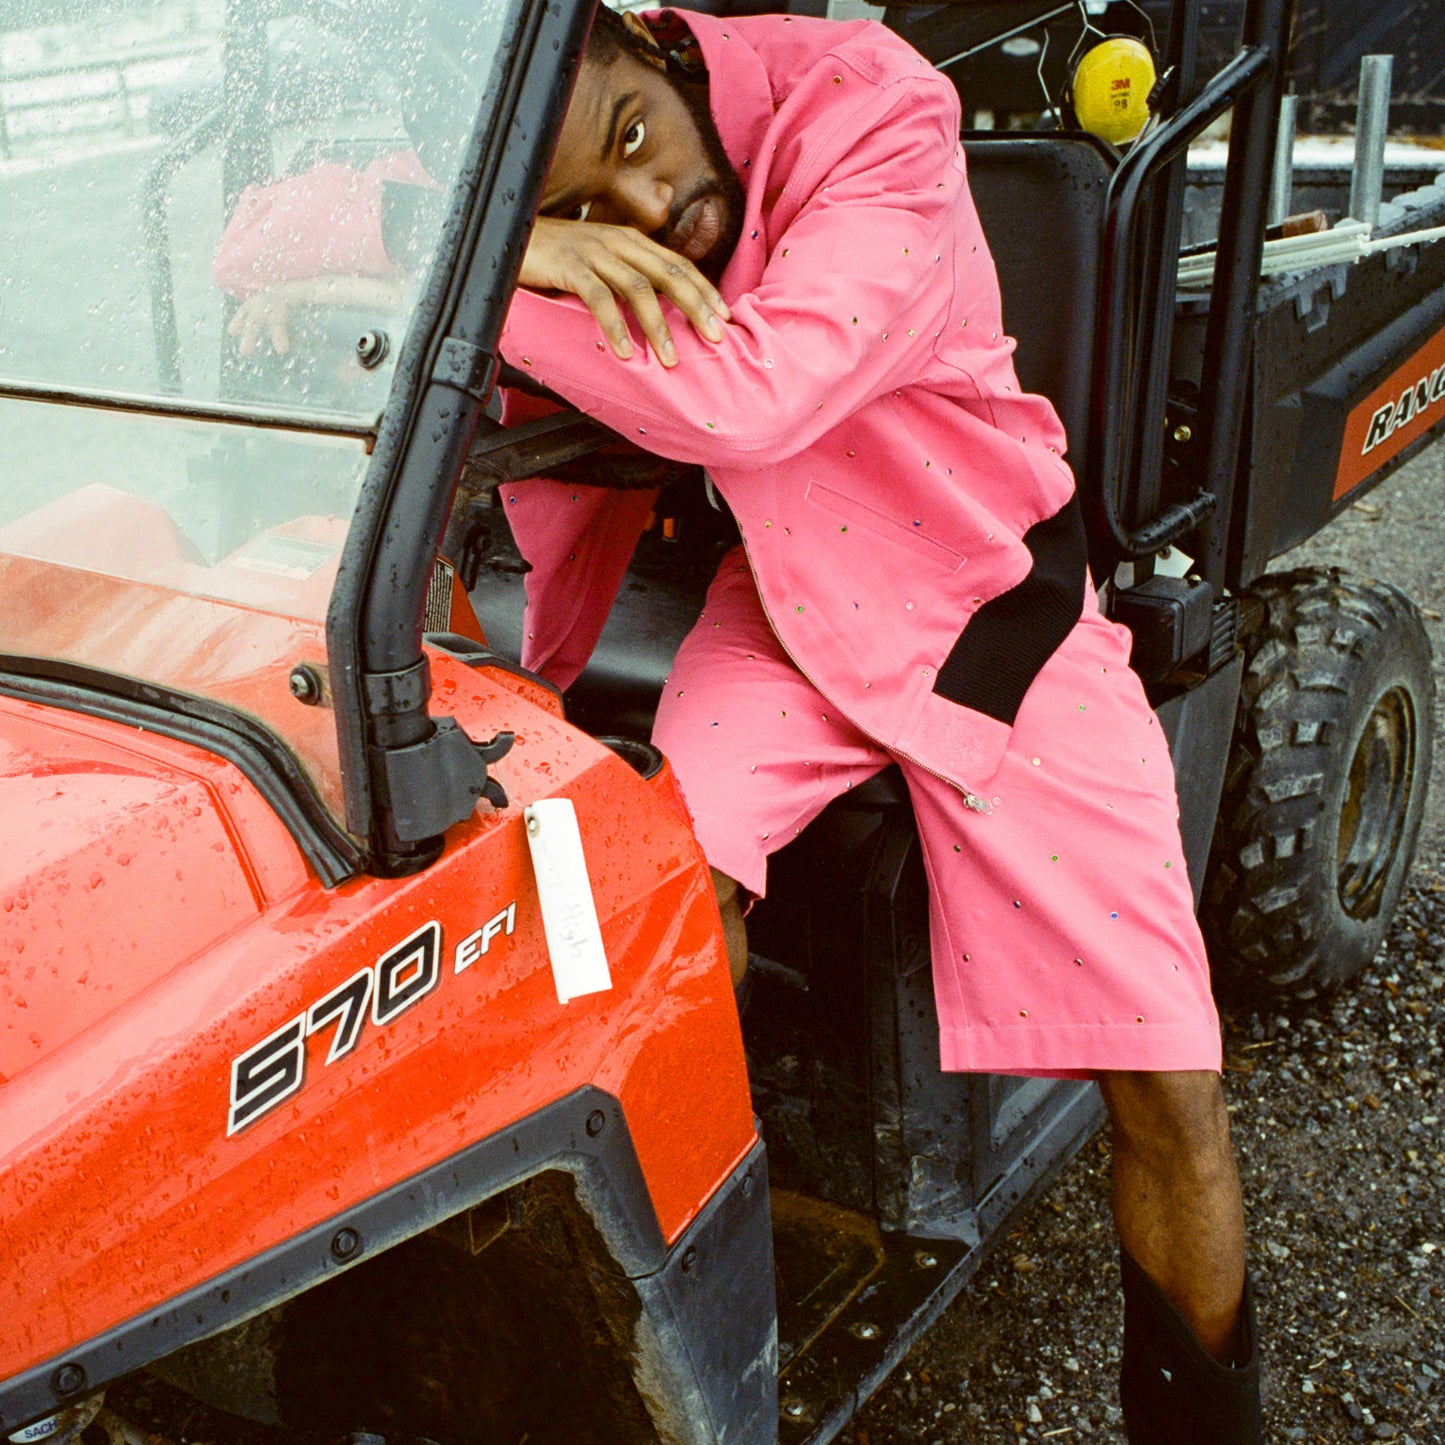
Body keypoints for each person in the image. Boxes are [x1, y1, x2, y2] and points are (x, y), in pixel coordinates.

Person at [500, 6, 1262, 1440]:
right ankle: (681, 1326)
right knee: (654, 904)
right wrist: (510, 242)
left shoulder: (872, 106)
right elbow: (267, 228)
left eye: (630, 141)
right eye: (585, 214)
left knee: (1167, 1080)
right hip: (782, 598)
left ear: (656, 48)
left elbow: (753, 397)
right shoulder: (534, 142)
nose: (647, 209)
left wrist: (487, 273)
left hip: (982, 595)